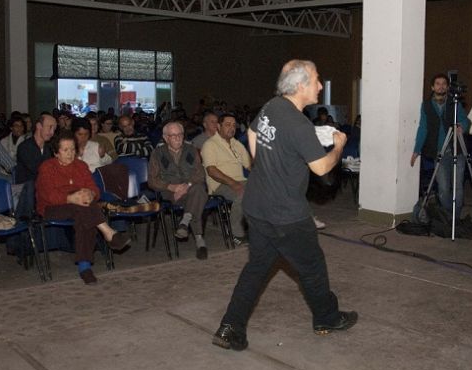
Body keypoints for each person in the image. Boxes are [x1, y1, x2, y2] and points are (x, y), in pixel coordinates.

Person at [213, 59, 357, 352]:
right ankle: (327, 318)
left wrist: (265, 168)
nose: (319, 85)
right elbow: (320, 169)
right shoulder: (299, 123)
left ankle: (230, 327)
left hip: (257, 207)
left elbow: (253, 134)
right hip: (286, 216)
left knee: (257, 268)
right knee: (313, 267)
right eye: (316, 80)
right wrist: (339, 146)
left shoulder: (272, 107)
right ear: (301, 85)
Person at [35, 131, 131, 284]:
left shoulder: (81, 165)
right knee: (83, 208)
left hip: (80, 208)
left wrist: (91, 194)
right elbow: (48, 195)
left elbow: (94, 189)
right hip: (52, 208)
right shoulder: (47, 167)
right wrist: (70, 198)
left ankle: (85, 266)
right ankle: (108, 234)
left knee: (84, 210)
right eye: (65, 150)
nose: (70, 153)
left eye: (72, 149)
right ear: (56, 152)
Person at [410, 73, 471, 216]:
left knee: (457, 187)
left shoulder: (454, 103)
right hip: (439, 152)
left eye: (444, 84)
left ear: (448, 87)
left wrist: (462, 126)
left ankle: (455, 218)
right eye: (438, 84)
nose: (441, 86)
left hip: (457, 150)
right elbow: (423, 128)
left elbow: (465, 120)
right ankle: (448, 216)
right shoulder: (426, 106)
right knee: (443, 189)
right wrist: (416, 150)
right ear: (432, 87)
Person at [148, 121, 209, 260]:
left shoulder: (191, 150)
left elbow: (200, 174)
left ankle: (186, 222)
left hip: (191, 187)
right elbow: (152, 180)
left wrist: (187, 185)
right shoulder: (157, 153)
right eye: (173, 135)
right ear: (165, 137)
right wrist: (172, 187)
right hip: (170, 193)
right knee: (199, 194)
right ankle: (199, 239)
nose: (177, 138)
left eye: (180, 134)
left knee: (198, 190)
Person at [201, 113, 252, 245]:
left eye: (234, 125)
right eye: (228, 125)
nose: (232, 128)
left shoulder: (237, 144)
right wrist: (233, 183)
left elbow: (250, 166)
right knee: (243, 194)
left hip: (241, 181)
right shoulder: (210, 145)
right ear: (218, 126)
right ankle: (236, 232)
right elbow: (211, 171)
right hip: (220, 185)